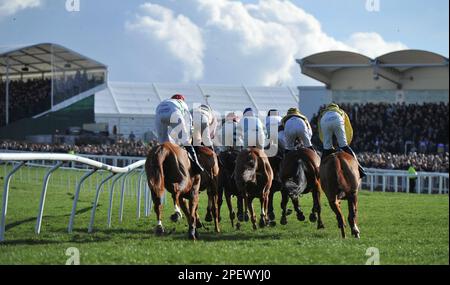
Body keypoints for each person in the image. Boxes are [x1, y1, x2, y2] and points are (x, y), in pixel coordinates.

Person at [155, 94, 204, 174]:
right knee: (186, 141)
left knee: (163, 144)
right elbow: (189, 126)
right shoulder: (183, 104)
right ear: (182, 100)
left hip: (159, 114)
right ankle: (196, 165)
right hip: (174, 114)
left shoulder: (166, 102)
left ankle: (159, 166)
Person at [318, 103, 366, 178]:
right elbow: (347, 127)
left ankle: (320, 172)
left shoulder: (323, 113)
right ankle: (359, 168)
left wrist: (326, 144)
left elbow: (320, 130)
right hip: (337, 119)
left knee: (326, 149)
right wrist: (346, 143)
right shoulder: (340, 111)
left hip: (324, 121)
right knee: (344, 146)